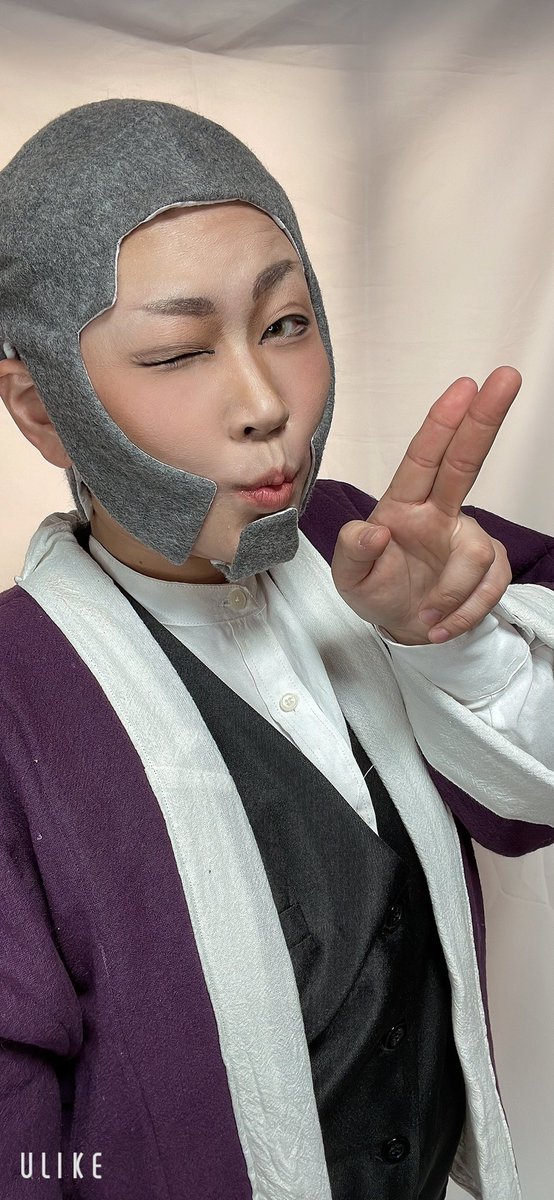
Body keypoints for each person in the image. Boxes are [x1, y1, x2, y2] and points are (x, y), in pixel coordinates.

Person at [0, 98, 552, 1200]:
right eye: (177, 351)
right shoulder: (16, 699)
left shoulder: (386, 549)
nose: (264, 405)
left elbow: (529, 796)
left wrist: (449, 641)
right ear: (42, 410)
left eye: (287, 324)